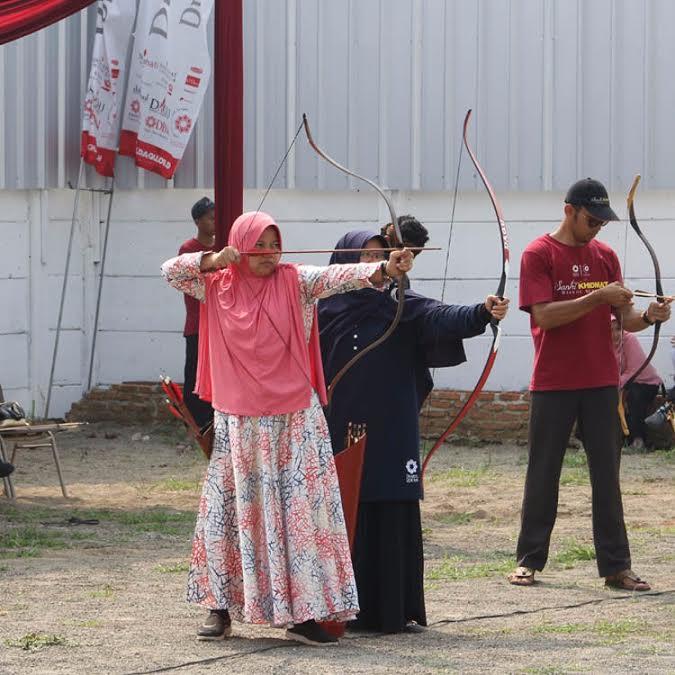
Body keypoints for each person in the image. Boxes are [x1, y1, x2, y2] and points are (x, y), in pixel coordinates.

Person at [161, 212, 414, 646]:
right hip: (239, 423)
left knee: (301, 516)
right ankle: (218, 608)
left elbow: (338, 275)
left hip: (295, 417)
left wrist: (384, 269)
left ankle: (304, 614)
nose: (269, 253)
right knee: (230, 513)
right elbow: (170, 270)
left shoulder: (296, 280)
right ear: (241, 245)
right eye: (259, 244)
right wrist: (214, 259)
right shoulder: (216, 283)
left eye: (275, 244)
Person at [318, 230, 509, 634]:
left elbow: (441, 315)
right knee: (347, 506)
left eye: (379, 256)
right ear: (343, 263)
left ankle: (391, 609)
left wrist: (481, 311)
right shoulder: (323, 308)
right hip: (338, 427)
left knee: (389, 503)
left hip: (392, 426)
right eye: (364, 257)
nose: (374, 264)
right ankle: (338, 608)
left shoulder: (399, 303)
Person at [508, 178, 672, 592]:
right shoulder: (538, 253)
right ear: (569, 211)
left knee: (607, 475)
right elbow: (543, 316)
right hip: (553, 381)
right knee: (543, 473)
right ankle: (528, 560)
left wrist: (650, 315)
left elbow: (625, 319)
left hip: (601, 381)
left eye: (602, 221)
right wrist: (597, 297)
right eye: (591, 220)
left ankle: (617, 567)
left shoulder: (605, 256)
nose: (597, 227)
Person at [178, 197, 216, 430]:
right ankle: (196, 422)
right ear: (198, 221)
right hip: (198, 324)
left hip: (220, 324)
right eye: (211, 218)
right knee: (194, 376)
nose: (215, 223)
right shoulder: (189, 250)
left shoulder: (222, 248)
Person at [612, 318, 663, 449]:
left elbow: (634, 370)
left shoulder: (629, 339)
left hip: (646, 382)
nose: (615, 334)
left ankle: (638, 440)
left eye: (618, 329)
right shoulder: (603, 344)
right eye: (609, 330)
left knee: (635, 395)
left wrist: (615, 386)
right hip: (624, 383)